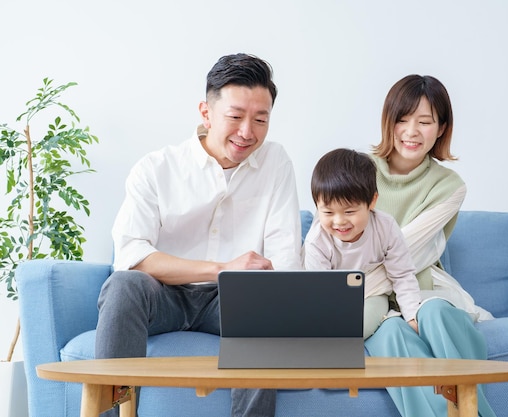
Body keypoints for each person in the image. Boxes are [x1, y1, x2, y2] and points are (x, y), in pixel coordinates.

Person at [95, 53, 302, 417]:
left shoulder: (276, 162)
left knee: (269, 306)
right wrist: (221, 268)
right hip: (163, 295)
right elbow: (132, 255)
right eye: (235, 117)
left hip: (235, 301)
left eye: (260, 119)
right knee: (124, 285)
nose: (247, 132)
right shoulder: (157, 168)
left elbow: (285, 258)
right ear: (206, 113)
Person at [364, 74, 496, 417]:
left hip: (419, 288)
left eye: (424, 122)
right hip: (374, 303)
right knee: (390, 330)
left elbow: (406, 252)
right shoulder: (358, 170)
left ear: (441, 128)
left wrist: (349, 295)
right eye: (403, 119)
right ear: (388, 122)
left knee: (433, 311)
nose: (411, 131)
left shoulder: (450, 187)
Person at [303, 148, 422, 339]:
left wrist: (412, 316)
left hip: (372, 293)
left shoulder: (386, 227)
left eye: (349, 212)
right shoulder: (317, 240)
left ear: (372, 201)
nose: (339, 221)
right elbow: (319, 293)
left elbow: (403, 275)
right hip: (331, 299)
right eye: (328, 212)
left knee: (360, 326)